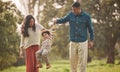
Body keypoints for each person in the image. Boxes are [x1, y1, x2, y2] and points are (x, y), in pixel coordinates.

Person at [53, 2, 94, 72]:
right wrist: (56, 21)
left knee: (82, 62)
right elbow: (63, 20)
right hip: (73, 42)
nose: (73, 11)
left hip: (83, 42)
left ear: (79, 9)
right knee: (72, 61)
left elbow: (91, 29)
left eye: (74, 10)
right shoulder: (70, 14)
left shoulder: (87, 17)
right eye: (72, 9)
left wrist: (92, 40)